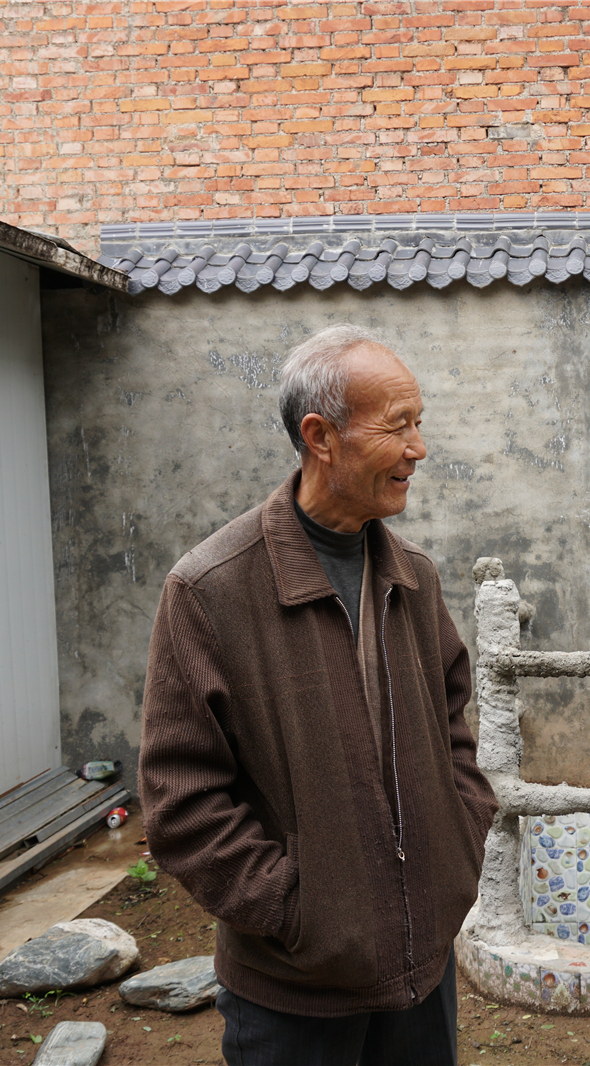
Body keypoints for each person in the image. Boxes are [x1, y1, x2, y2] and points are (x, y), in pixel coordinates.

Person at [139, 324, 498, 1066]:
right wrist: (297, 913)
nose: (418, 449)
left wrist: (456, 849)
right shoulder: (211, 590)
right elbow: (183, 801)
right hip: (293, 996)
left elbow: (454, 730)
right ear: (320, 436)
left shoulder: (414, 577)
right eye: (398, 426)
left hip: (422, 977)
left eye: (419, 424)